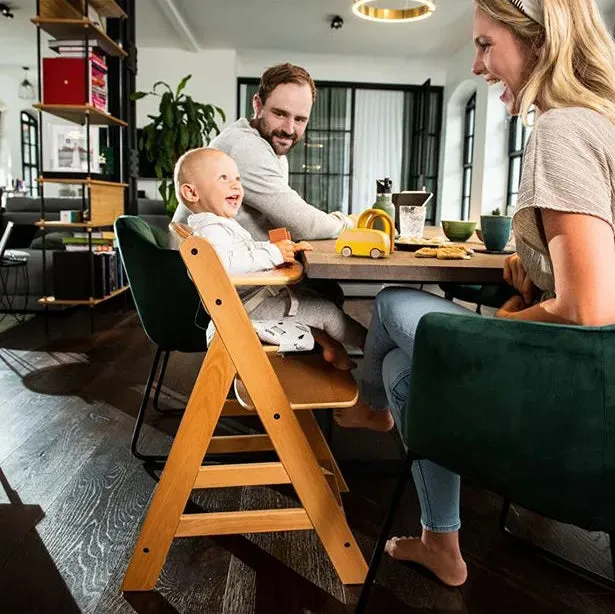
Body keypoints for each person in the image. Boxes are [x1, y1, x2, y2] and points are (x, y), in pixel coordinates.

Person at [337, 0, 615, 587]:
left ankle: (370, 413)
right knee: (399, 369)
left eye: (487, 46)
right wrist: (539, 269)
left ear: (539, 41)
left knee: (391, 302)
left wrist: (490, 331)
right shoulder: (602, 123)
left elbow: (589, 309)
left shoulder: (562, 129)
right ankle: (442, 541)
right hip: (599, 402)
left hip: (579, 404)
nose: (479, 64)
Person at [174, 147, 366, 370]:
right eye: (223, 178)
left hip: (250, 299)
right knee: (327, 312)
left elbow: (245, 250)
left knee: (311, 298)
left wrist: (281, 249)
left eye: (237, 178)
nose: (236, 185)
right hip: (248, 307)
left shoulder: (219, 224)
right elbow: (225, 265)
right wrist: (273, 254)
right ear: (192, 193)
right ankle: (371, 346)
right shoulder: (211, 231)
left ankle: (332, 347)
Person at [172, 63, 355, 242]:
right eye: (280, 114)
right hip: (202, 269)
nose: (289, 129)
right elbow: (303, 225)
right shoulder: (244, 146)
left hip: (227, 262)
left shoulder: (271, 148)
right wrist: (348, 223)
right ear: (258, 105)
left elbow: (286, 219)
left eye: (300, 119)